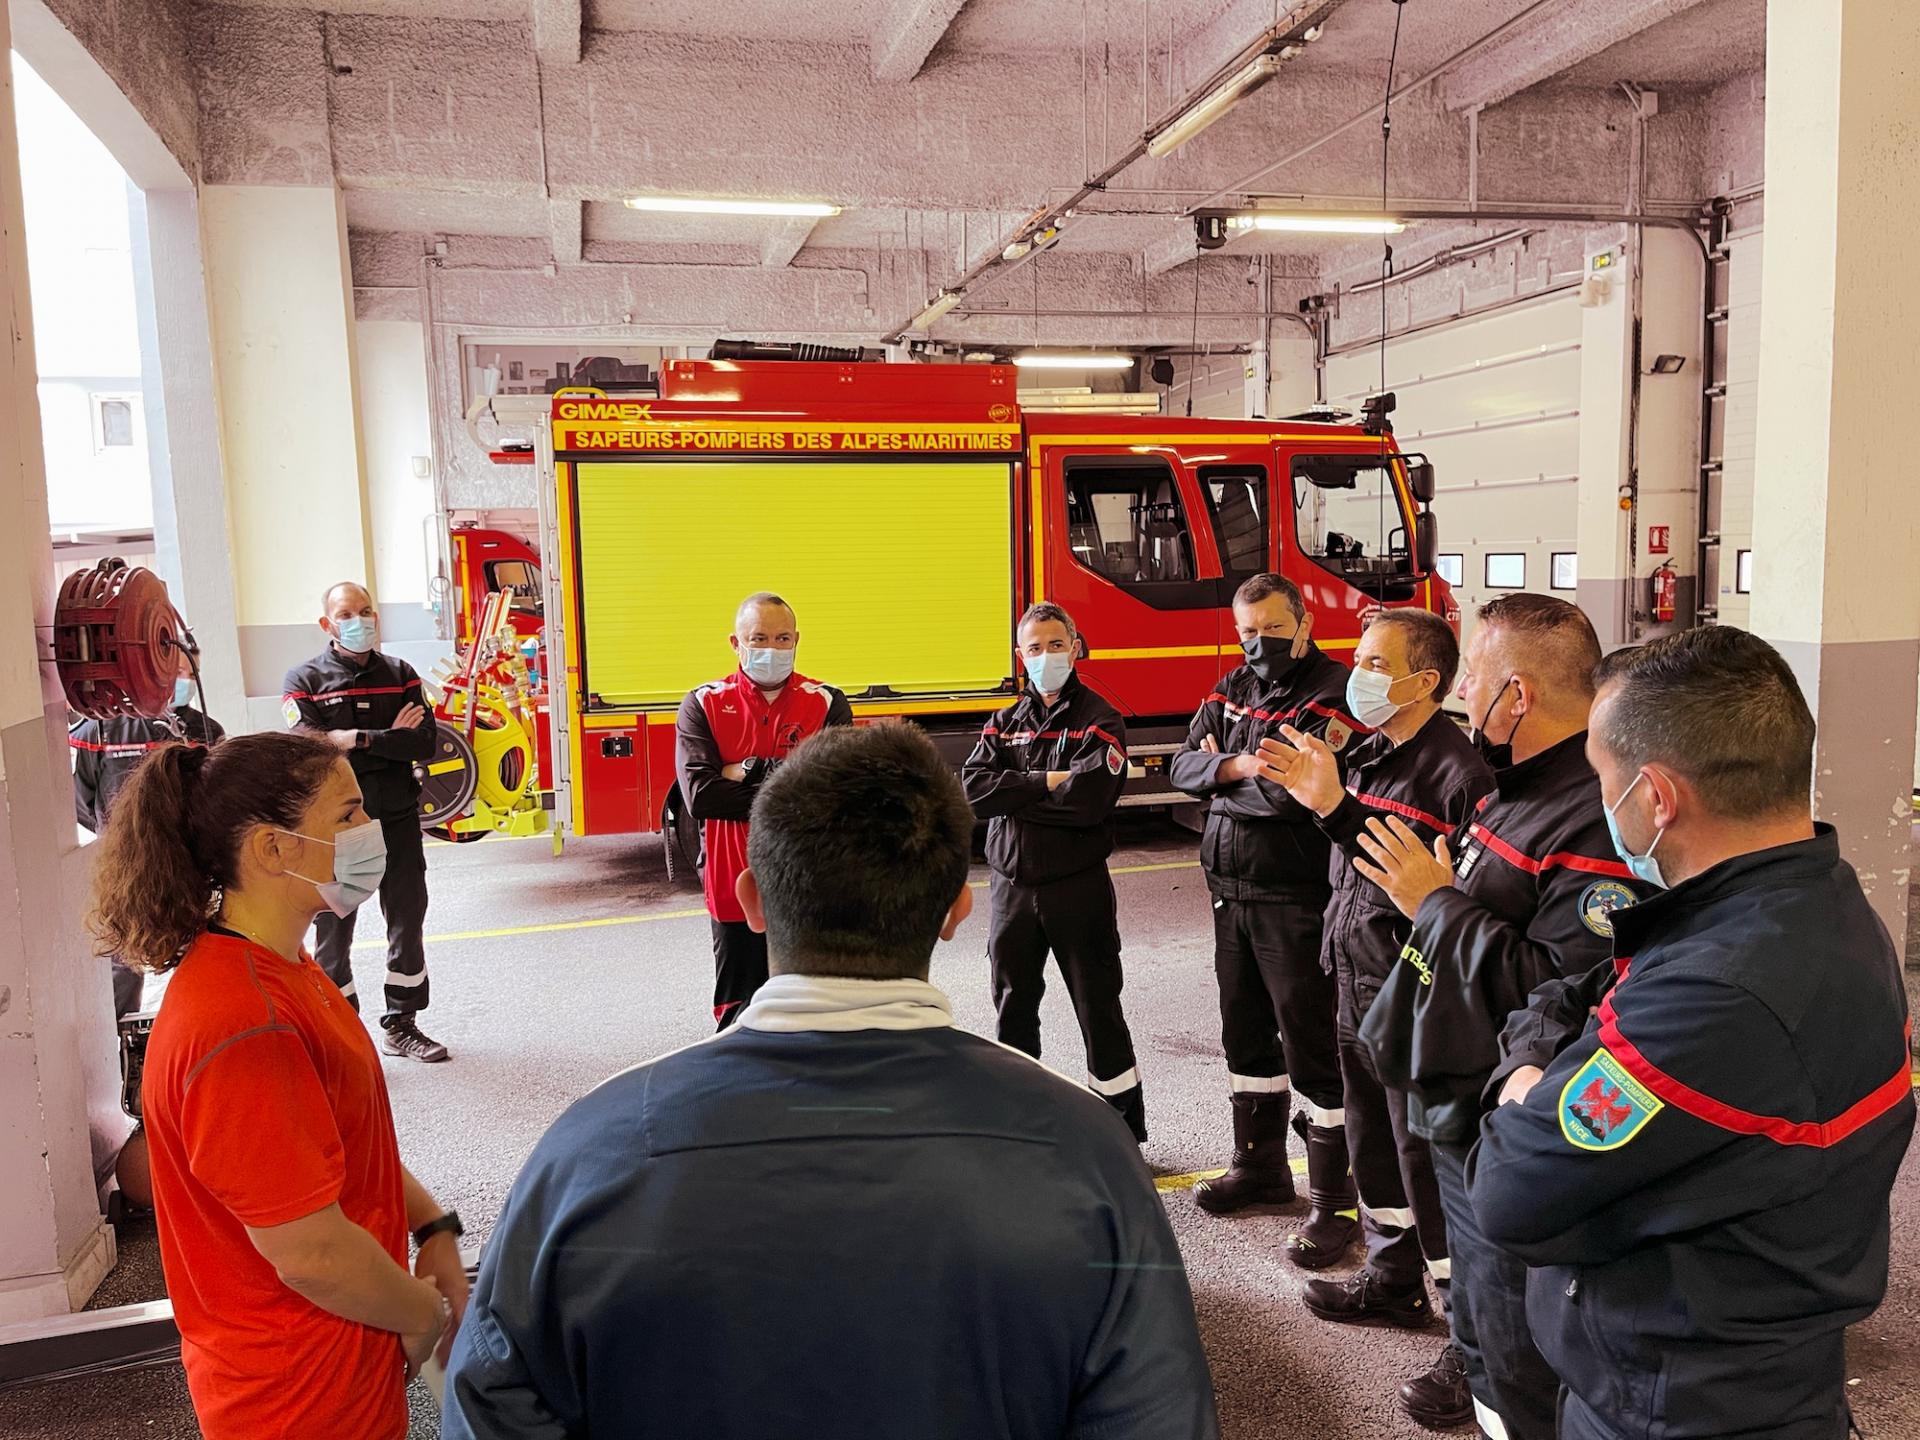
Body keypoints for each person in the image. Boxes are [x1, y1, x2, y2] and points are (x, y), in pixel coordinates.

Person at [443, 724, 1220, 1440]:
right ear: (956, 909)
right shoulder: (1087, 1150)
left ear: (751, 900)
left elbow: (491, 1403)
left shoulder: (590, 1148)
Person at [1470, 627, 1915, 1440]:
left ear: (1655, 796)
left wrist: (1523, 1078)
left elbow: (1508, 1188)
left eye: (1600, 776)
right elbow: (1577, 991)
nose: (1596, 798)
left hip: (1676, 1404)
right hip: (1731, 1371)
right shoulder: (1804, 903)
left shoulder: (1721, 991)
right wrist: (1555, 1040)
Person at [84, 731, 469, 1440]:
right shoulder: (243, 1023)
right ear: (273, 848)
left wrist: (432, 1223)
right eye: (347, 815)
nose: (369, 829)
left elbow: (336, 1141)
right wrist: (425, 1317)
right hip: (298, 1403)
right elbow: (311, 1252)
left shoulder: (282, 966)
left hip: (341, 1374)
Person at [1355, 593, 1649, 1440]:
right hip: (1458, 1101)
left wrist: (1438, 903)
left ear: (1515, 696)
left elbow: (1563, 991)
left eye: (1472, 677)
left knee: (1519, 1358)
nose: (1460, 694)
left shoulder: (1590, 820)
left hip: (1506, 1121)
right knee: (1483, 1338)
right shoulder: (1510, 791)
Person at [1255, 608, 1492, 1428]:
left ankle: (1471, 1340)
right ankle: (1393, 1280)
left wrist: (1333, 807)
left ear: (1424, 682)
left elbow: (1453, 900)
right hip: (1353, 980)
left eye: (1372, 662)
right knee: (1373, 1145)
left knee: (1431, 1166)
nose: (1355, 673)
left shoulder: (1461, 776)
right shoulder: (1369, 753)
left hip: (1414, 997)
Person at [1167, 572, 1361, 1263]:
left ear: (1304, 624)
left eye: (1272, 630)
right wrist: (1232, 770)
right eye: (1247, 631)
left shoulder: (1332, 697)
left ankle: (1335, 1204)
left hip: (1295, 899)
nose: (1257, 644)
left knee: (1312, 1048)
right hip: (1230, 892)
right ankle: (1260, 1166)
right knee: (1246, 1039)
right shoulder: (1230, 687)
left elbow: (1290, 801)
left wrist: (1221, 779)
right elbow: (1180, 768)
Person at [963, 602, 1146, 1142]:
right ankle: (1024, 1128)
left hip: (1076, 889)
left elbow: (1088, 803)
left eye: (1056, 644)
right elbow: (974, 792)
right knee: (1013, 1008)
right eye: (1034, 648)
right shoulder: (1004, 722)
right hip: (1011, 891)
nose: (1045, 656)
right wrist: (1048, 781)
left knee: (1098, 1009)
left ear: (1076, 647)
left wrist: (1015, 793)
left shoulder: (1100, 718)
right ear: (1021, 657)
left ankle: (1122, 1134)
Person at [282, 581, 445, 1062]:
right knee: (334, 924)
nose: (360, 620)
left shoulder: (401, 674)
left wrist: (353, 738)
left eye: (366, 610)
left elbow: (424, 742)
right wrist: (384, 736)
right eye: (347, 613)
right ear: (328, 624)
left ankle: (403, 1023)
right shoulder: (304, 679)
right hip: (338, 825)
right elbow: (309, 745)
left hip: (397, 817)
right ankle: (339, 1033)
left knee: (407, 916)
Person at [674, 591, 851, 1030]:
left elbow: (837, 794)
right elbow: (700, 795)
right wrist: (795, 781)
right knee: (738, 1021)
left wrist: (745, 768)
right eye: (759, 638)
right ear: (736, 643)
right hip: (732, 885)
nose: (771, 648)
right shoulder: (703, 703)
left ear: (797, 640)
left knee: (812, 1017)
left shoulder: (827, 701)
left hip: (809, 888)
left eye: (782, 637)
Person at [73, 637, 224, 1017]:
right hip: (126, 867)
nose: (184, 682)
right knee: (123, 957)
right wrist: (123, 839)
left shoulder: (205, 731)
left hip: (188, 861)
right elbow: (81, 798)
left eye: (192, 674)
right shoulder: (102, 730)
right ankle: (124, 1044)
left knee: (197, 947)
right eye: (176, 672)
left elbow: (220, 797)